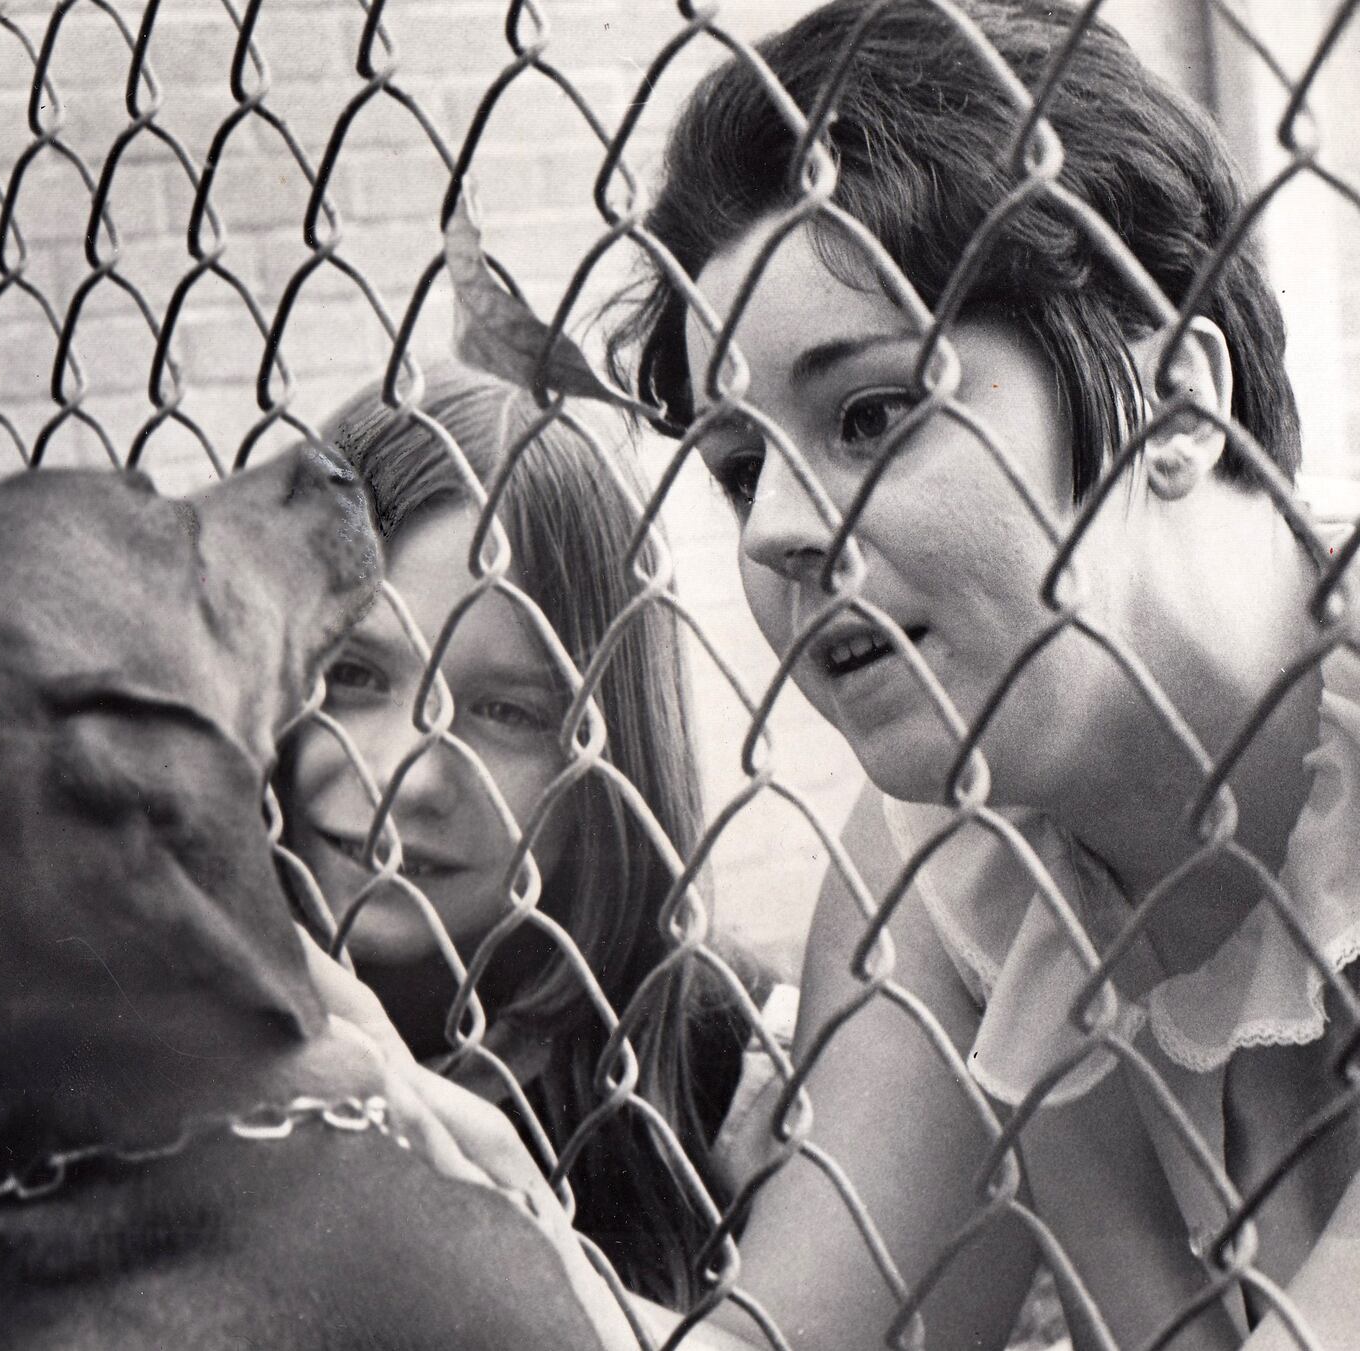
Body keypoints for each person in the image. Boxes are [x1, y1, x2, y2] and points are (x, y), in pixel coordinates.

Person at [598, 1, 1360, 1348]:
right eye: (736, 464)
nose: (774, 524)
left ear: (1174, 402)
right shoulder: (943, 868)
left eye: (873, 412)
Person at [275, 361, 781, 1315]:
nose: (403, 775)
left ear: (605, 751)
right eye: (351, 675)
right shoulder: (128, 1011)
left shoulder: (727, 1070)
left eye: (504, 709)